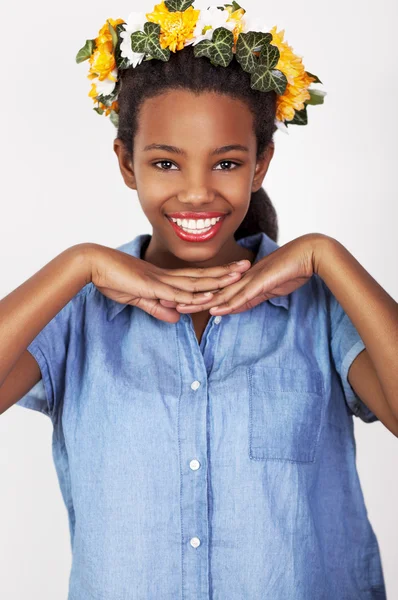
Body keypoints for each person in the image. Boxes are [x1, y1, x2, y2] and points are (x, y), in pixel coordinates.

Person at [0, 2, 396, 598]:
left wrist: (327, 255)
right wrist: (78, 263)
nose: (195, 193)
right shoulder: (77, 313)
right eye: (165, 162)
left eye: (227, 163)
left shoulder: (321, 307)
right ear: (126, 164)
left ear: (261, 164)